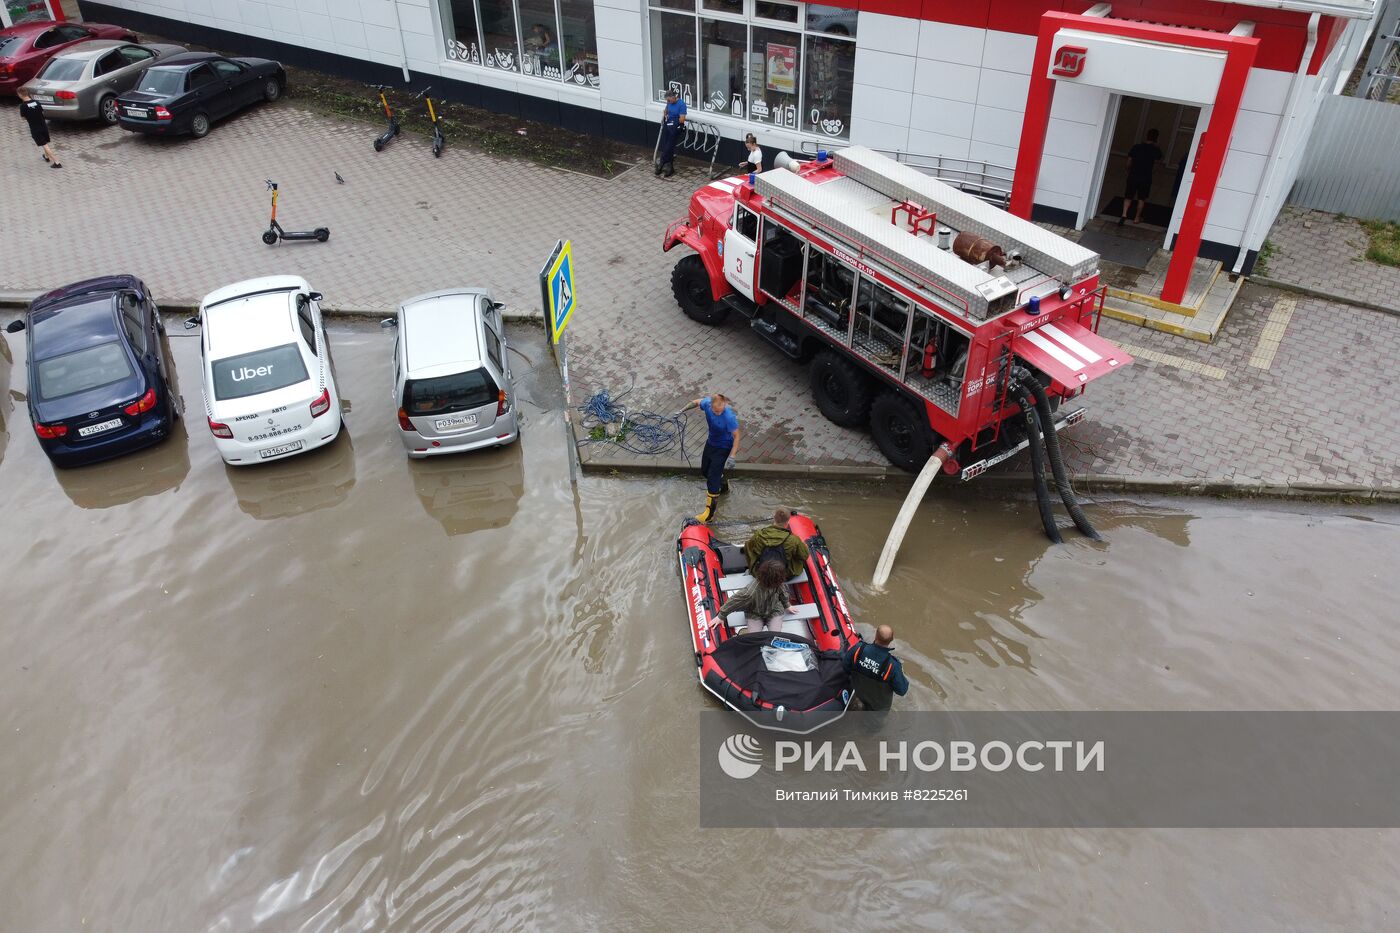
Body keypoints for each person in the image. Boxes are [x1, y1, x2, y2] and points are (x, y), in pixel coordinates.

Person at [677, 393, 740, 522]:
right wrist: (682, 410)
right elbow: (695, 402)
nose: (718, 413)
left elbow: (737, 436)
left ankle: (709, 514)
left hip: (724, 447)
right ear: (711, 406)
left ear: (724, 404)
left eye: (721, 409)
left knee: (712, 478)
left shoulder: (729, 417)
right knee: (705, 470)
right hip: (711, 443)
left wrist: (733, 456)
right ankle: (723, 486)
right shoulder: (707, 404)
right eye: (716, 410)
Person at [841, 625, 910, 711]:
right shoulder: (893, 666)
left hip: (859, 697)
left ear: (876, 635)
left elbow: (845, 666)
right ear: (891, 640)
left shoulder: (859, 649)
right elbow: (902, 690)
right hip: (878, 709)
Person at [717, 558, 790, 634]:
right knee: (754, 636)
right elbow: (734, 600)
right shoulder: (750, 592)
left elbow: (783, 594)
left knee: (775, 635)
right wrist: (721, 615)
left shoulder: (779, 584)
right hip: (754, 613)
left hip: (774, 610)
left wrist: (787, 605)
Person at [743, 507, 809, 579]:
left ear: (774, 518)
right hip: (784, 575)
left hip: (761, 573)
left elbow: (748, 547)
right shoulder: (793, 539)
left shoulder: (759, 535)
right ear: (788, 521)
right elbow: (804, 556)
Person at [1120, 128, 1163, 226]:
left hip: (1133, 175)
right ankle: (1136, 218)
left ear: (1146, 136)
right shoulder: (1155, 150)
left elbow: (1129, 161)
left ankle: (1124, 214)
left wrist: (1128, 170)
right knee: (1141, 198)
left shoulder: (1136, 147)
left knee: (1128, 196)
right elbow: (1159, 162)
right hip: (1145, 177)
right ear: (1156, 138)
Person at [17, 88, 61, 169]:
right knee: (45, 142)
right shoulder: (36, 102)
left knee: (44, 145)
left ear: (20, 95)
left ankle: (57, 162)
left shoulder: (23, 106)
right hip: (43, 126)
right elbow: (42, 112)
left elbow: (23, 117)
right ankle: (46, 157)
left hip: (35, 128)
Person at [656, 88, 687, 178]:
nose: (668, 102)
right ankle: (670, 166)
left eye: (669, 100)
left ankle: (662, 162)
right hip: (668, 124)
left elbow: (682, 119)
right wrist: (665, 113)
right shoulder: (669, 103)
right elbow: (666, 110)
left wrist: (674, 121)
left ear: (674, 97)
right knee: (667, 144)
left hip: (676, 126)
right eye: (667, 100)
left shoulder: (681, 104)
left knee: (669, 144)